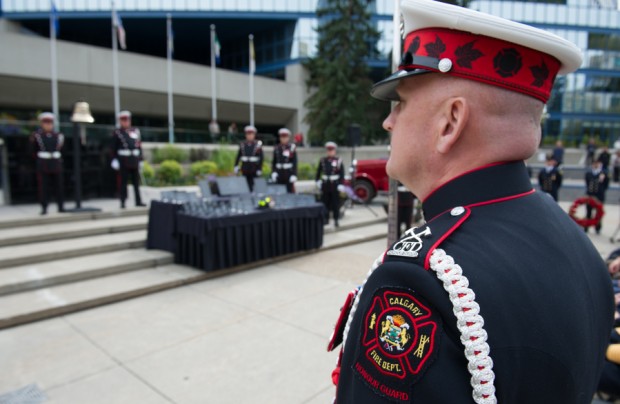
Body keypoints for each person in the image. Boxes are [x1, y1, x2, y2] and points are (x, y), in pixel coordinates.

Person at [328, 1, 614, 403]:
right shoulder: (576, 242)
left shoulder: (420, 282)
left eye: (402, 102)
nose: (388, 121)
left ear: (450, 122)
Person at [29, 112, 64, 215]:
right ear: (42, 124)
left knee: (59, 186)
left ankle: (61, 206)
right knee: (43, 187)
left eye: (50, 123)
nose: (48, 125)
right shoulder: (37, 136)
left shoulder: (58, 135)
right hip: (43, 163)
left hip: (56, 162)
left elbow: (63, 151)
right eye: (46, 123)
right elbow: (32, 151)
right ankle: (44, 207)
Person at [110, 110, 146, 209]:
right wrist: (114, 159)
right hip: (123, 160)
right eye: (123, 120)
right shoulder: (117, 133)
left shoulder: (135, 131)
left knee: (136, 182)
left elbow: (139, 146)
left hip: (134, 159)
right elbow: (113, 147)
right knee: (123, 182)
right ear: (120, 121)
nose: (126, 122)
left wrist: (141, 159)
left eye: (127, 120)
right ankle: (123, 201)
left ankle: (138, 201)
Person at [316, 141, 344, 227]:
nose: (330, 152)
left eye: (331, 150)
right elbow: (318, 172)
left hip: (334, 184)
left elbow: (341, 173)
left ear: (334, 151)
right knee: (325, 202)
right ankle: (325, 219)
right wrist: (317, 181)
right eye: (328, 150)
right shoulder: (323, 160)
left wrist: (340, 184)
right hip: (325, 184)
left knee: (335, 203)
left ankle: (336, 219)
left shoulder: (338, 160)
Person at [234, 125, 263, 192]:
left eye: (251, 134)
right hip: (245, 168)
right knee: (244, 186)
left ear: (254, 135)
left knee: (254, 186)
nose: (249, 136)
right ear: (246, 135)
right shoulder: (243, 144)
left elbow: (261, 157)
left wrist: (259, 168)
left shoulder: (257, 144)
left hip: (254, 168)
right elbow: (239, 156)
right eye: (248, 134)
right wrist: (236, 165)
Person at [585, 159, 609, 234]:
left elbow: (606, 185)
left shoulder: (603, 173)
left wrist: (600, 192)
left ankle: (597, 227)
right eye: (594, 163)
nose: (595, 165)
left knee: (598, 212)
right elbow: (587, 183)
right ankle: (586, 227)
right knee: (588, 211)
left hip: (599, 196)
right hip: (590, 195)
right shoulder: (588, 173)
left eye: (597, 163)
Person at [271, 128, 298, 193]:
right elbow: (274, 161)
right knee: (278, 192)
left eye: (285, 137)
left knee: (289, 192)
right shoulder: (277, 148)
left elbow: (294, 162)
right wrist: (273, 172)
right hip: (279, 173)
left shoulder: (291, 147)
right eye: (282, 137)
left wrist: (294, 174)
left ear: (288, 138)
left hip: (288, 173)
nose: (283, 139)